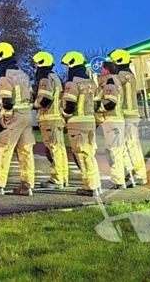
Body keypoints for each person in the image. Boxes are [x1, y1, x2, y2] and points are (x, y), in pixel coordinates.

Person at [0, 42, 35, 196]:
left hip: (13, 117)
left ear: (0, 57)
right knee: (25, 151)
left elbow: (7, 102)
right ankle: (27, 185)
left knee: (4, 148)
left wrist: (1, 121)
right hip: (26, 116)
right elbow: (31, 95)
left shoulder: (6, 77)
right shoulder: (24, 75)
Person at [61, 51, 101, 197]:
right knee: (90, 154)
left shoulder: (72, 83)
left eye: (66, 65)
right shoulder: (91, 83)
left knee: (82, 156)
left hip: (77, 124)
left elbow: (70, 106)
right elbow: (97, 103)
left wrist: (64, 116)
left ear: (71, 64)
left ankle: (90, 187)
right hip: (90, 123)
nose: (66, 69)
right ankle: (96, 185)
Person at [108, 49, 147, 185]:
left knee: (129, 145)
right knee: (134, 145)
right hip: (133, 114)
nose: (112, 64)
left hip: (125, 115)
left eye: (113, 62)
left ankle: (139, 174)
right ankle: (137, 173)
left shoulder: (120, 76)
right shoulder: (131, 75)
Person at [32, 51, 68, 189]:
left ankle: (56, 179)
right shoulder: (55, 77)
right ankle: (63, 177)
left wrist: (33, 104)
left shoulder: (45, 79)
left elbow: (45, 99)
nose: (35, 67)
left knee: (53, 150)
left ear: (41, 63)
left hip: (49, 119)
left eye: (36, 64)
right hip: (56, 119)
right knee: (59, 149)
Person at [98, 59, 128, 190]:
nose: (100, 72)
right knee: (121, 150)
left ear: (107, 70)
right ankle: (127, 178)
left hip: (112, 121)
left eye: (102, 69)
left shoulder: (110, 82)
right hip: (117, 120)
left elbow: (110, 103)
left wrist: (96, 107)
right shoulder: (116, 81)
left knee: (113, 152)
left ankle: (118, 181)